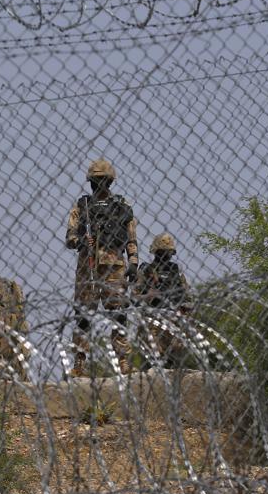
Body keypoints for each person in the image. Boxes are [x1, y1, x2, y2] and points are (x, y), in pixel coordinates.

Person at [65, 158, 139, 376]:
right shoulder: (82, 207)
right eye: (96, 181)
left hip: (114, 267)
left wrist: (133, 263)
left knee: (119, 315)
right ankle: (79, 364)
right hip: (87, 267)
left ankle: (123, 361)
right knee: (83, 316)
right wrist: (80, 241)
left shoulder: (122, 208)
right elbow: (70, 236)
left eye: (103, 180)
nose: (99, 185)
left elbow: (131, 239)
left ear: (110, 182)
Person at [135, 232, 191, 368]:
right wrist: (149, 295)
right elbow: (133, 297)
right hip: (152, 318)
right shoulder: (146, 270)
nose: (165, 256)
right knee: (155, 356)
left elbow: (187, 297)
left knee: (173, 356)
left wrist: (184, 310)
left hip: (173, 317)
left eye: (168, 252)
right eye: (162, 252)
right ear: (155, 252)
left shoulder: (175, 271)